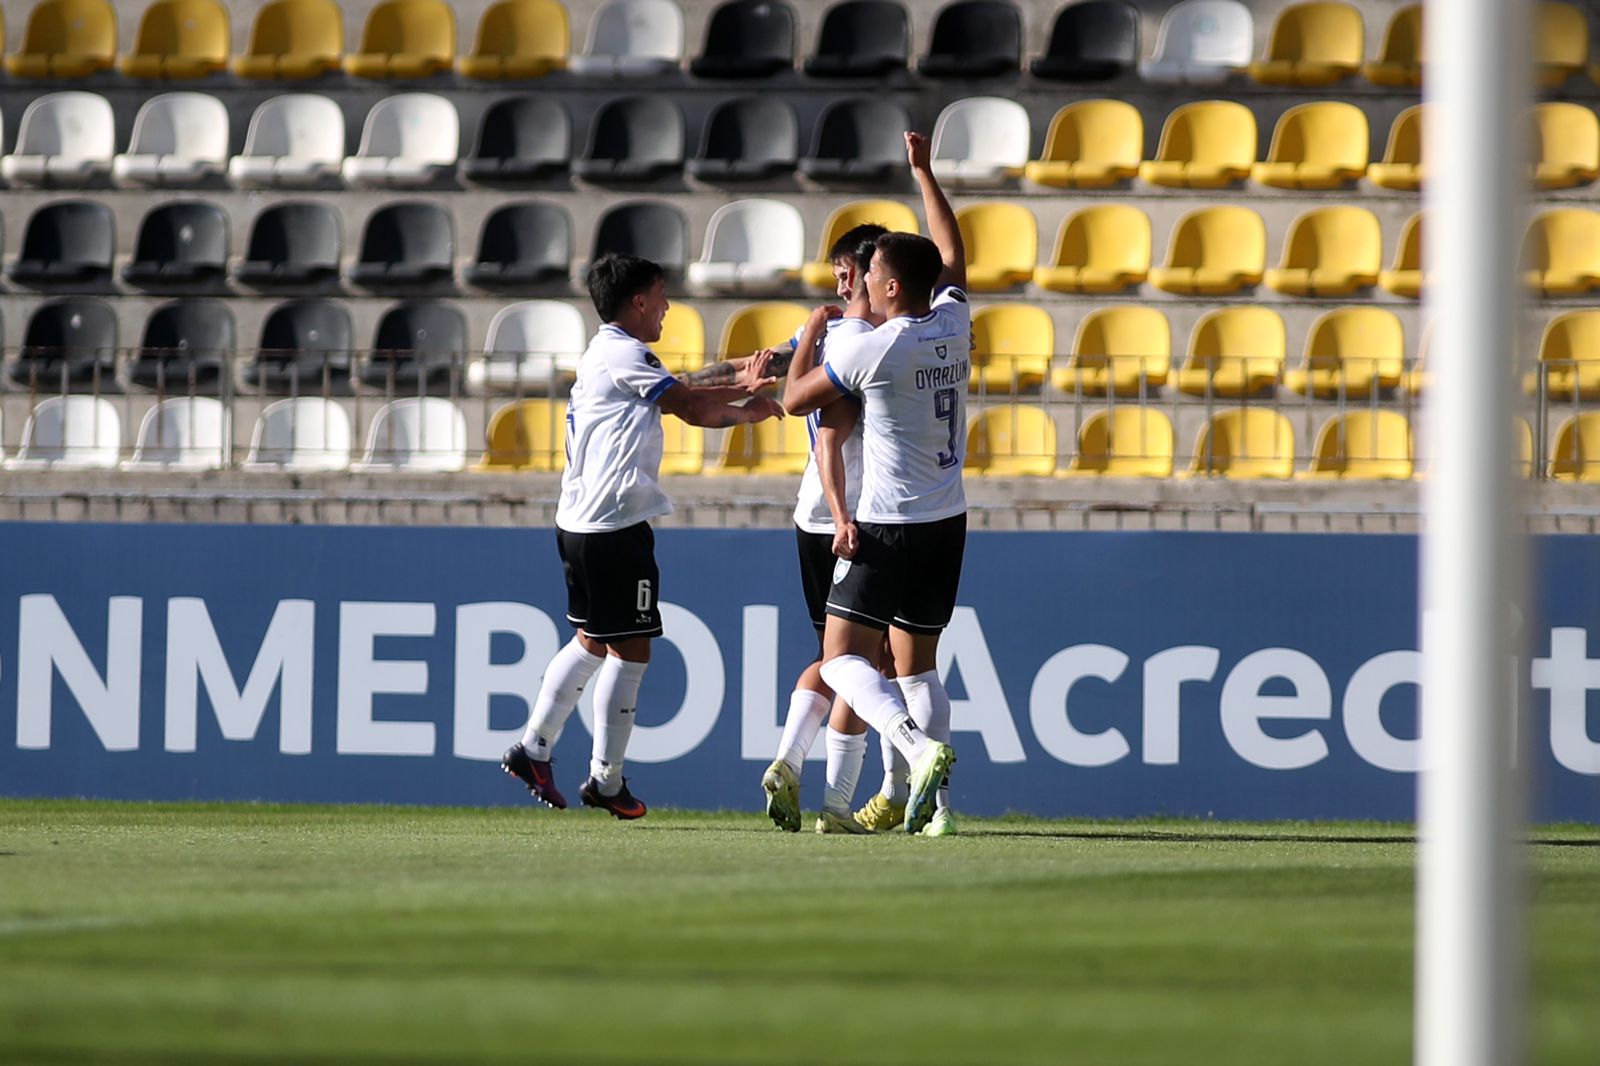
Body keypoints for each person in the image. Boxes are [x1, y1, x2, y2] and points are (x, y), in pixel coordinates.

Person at [502, 253, 785, 819]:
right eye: (660, 295)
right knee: (631, 649)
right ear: (638, 301)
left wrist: (736, 375)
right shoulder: (623, 353)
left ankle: (534, 747)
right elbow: (688, 407)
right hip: (611, 526)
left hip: (582, 522)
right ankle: (605, 780)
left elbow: (678, 384)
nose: (668, 306)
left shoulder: (609, 353)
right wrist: (750, 409)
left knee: (592, 641)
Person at [782, 131, 970, 836]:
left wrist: (809, 334)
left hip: (889, 524)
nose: (858, 285)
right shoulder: (954, 321)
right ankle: (939, 815)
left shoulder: (874, 349)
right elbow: (952, 256)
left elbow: (798, 399)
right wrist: (924, 173)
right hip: (948, 521)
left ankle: (919, 751)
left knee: (838, 661)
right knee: (918, 668)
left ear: (887, 286)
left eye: (868, 276)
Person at [756, 224, 893, 835]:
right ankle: (840, 805)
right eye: (836, 269)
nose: (838, 279)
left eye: (845, 269)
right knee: (866, 662)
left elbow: (769, 374)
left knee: (836, 657)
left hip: (813, 516)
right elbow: (826, 432)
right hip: (856, 519)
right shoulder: (875, 339)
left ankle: (790, 758)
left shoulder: (831, 334)